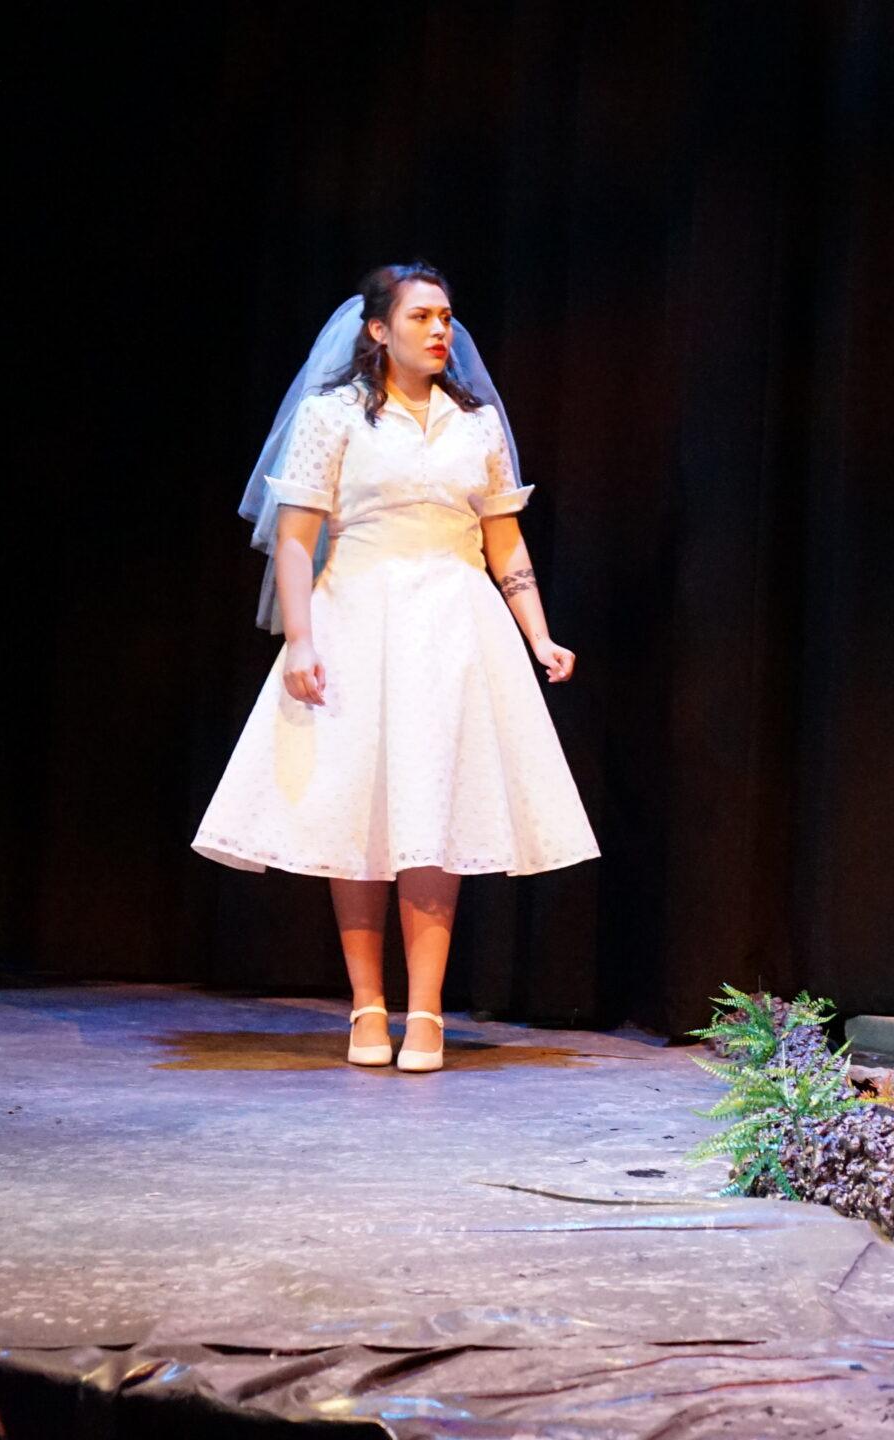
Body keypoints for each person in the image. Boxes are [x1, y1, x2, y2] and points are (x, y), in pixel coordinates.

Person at [194, 263, 599, 1072]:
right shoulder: (334, 416)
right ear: (379, 330)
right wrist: (301, 640)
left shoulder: (475, 425)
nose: (440, 330)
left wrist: (539, 635)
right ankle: (367, 1006)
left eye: (446, 316)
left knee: (431, 815)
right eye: (421, 317)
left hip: (454, 626)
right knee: (361, 817)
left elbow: (504, 539)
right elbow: (297, 540)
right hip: (358, 617)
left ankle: (427, 1011)